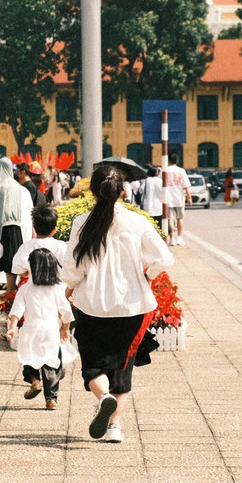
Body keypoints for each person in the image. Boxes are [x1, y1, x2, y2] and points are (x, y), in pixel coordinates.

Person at [59, 163, 174, 444]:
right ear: (122, 192)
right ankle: (114, 428)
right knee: (122, 368)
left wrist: (70, 288)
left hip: (92, 304)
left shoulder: (82, 222)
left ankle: (104, 396)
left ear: (93, 193)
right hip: (132, 306)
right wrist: (145, 276)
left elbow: (74, 268)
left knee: (93, 367)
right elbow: (164, 258)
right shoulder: (137, 222)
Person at [6, 248, 73, 410]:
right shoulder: (57, 288)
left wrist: (12, 328)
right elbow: (66, 312)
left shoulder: (25, 289)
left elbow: (16, 311)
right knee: (52, 365)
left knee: (29, 360)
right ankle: (51, 399)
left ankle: (35, 382)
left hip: (30, 330)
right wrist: (64, 328)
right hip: (50, 330)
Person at [0, 157, 33, 298]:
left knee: (7, 260)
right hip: (18, 227)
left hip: (5, 227)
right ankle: (11, 289)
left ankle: (9, 291)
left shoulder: (3, 186)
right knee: (14, 258)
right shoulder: (18, 186)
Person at [12, 205, 67, 278]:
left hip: (33, 286)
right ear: (54, 230)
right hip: (58, 287)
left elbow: (20, 271)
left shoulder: (26, 246)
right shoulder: (61, 246)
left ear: (34, 227)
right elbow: (68, 268)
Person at [163, 157, 191, 245]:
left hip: (167, 198)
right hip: (179, 198)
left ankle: (172, 239)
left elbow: (159, 182)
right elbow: (186, 186)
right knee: (180, 218)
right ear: (177, 161)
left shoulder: (165, 170)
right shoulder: (181, 171)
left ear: (169, 161)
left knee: (170, 219)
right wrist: (189, 198)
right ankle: (179, 237)